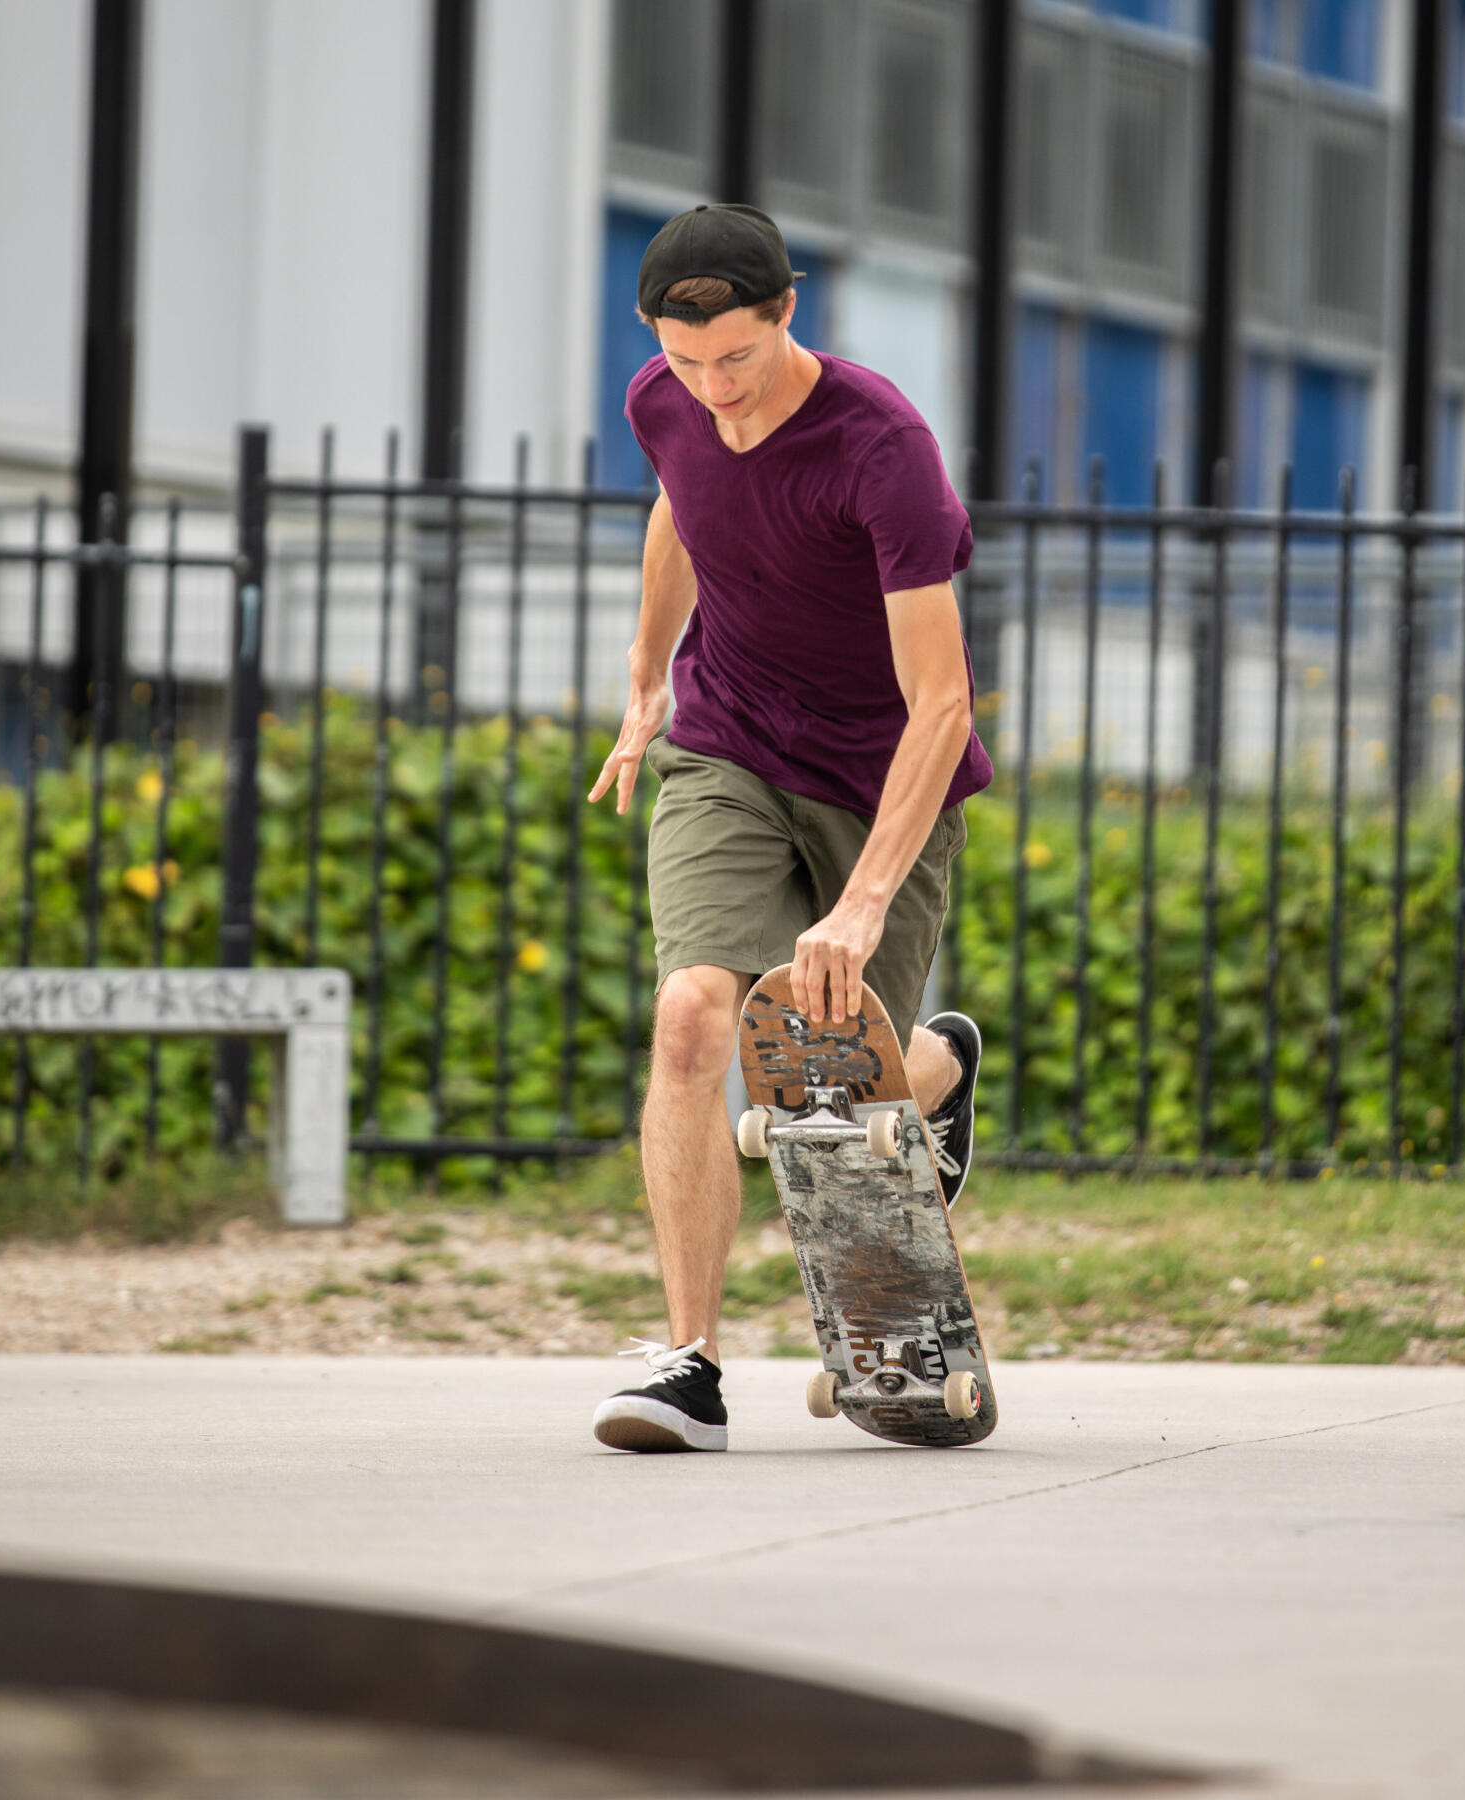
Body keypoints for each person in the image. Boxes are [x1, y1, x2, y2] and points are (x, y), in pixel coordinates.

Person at [584, 204, 992, 1453]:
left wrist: (862, 902)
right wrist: (650, 674)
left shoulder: (882, 447)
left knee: (833, 1086)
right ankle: (689, 1367)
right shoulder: (666, 401)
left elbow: (943, 703)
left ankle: (937, 1071)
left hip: (883, 779)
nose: (716, 391)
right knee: (694, 1016)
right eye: (688, 361)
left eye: (739, 362)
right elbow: (678, 509)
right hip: (731, 747)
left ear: (789, 315)